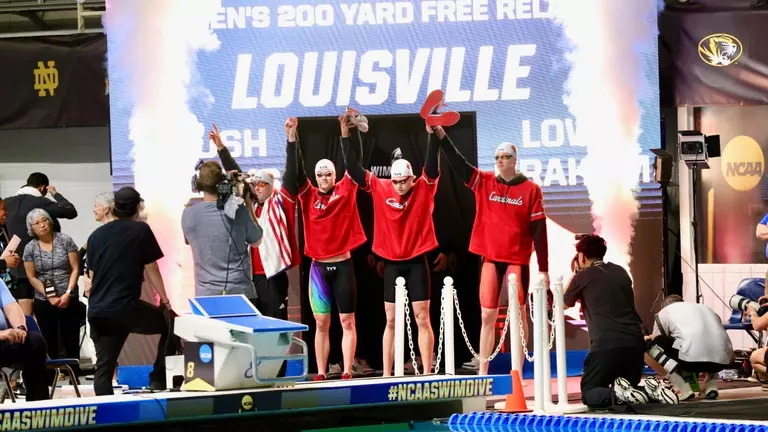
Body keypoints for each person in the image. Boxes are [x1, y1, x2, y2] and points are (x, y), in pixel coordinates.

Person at [437, 135, 548, 375]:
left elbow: (540, 231)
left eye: (505, 157)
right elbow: (458, 162)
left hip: (516, 259)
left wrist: (544, 268)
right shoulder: (484, 181)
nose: (499, 161)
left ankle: (517, 371)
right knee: (487, 314)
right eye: (497, 157)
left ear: (514, 160)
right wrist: (441, 135)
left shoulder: (530, 190)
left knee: (518, 314)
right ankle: (483, 371)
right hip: (490, 257)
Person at [342, 108, 440, 376]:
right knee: (392, 321)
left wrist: (431, 133)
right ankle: (386, 373)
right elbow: (353, 168)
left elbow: (431, 166)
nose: (398, 186)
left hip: (417, 262)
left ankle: (428, 371)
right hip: (392, 265)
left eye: (403, 181)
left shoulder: (423, 187)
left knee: (422, 318)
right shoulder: (380, 186)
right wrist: (344, 135)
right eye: (395, 181)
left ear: (411, 178)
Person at [284, 116, 367, 381]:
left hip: (343, 266)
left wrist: (345, 134)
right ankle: (320, 371)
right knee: (321, 323)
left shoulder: (346, 189)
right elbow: (293, 172)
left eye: (328, 174)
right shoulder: (307, 194)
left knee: (347, 322)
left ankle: (345, 369)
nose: (323, 179)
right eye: (319, 175)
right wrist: (291, 139)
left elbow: (354, 165)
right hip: (318, 269)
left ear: (334, 175)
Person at [563, 234, 678, 407]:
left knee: (590, 393)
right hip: (634, 346)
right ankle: (647, 390)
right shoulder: (620, 271)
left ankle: (625, 393)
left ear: (581, 256)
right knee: (629, 388)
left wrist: (575, 274)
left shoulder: (582, 277)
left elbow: (562, 304)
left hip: (605, 346)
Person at [86, 187, 172, 395]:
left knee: (104, 370)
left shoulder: (95, 236)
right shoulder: (140, 230)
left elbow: (91, 277)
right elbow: (152, 269)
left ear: (114, 207)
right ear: (137, 207)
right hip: (124, 308)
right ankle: (158, 379)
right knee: (171, 325)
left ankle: (104, 417)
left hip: (98, 311)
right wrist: (165, 300)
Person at [209, 125, 300, 320]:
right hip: (249, 278)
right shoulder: (250, 206)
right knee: (251, 326)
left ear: (271, 186)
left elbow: (292, 172)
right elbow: (237, 174)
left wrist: (291, 139)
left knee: (276, 325)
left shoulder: (281, 202)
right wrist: (221, 148)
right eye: (254, 184)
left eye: (261, 184)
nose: (256, 187)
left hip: (273, 277)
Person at [182, 160, 263, 299]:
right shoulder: (239, 211)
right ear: (223, 183)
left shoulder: (188, 214)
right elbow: (257, 240)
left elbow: (188, 240)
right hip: (240, 293)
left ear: (196, 184)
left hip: (206, 295)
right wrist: (248, 204)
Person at [4, 173, 78, 315]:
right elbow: (70, 211)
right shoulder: (38, 202)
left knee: (25, 305)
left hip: (17, 265)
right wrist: (55, 194)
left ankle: (28, 334)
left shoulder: (7, 202)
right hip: (45, 270)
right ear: (43, 187)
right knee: (51, 308)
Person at [22, 209, 83, 375]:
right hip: (44, 298)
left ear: (50, 221)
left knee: (70, 336)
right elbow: (32, 276)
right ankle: (52, 374)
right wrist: (50, 296)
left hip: (68, 295)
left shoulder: (65, 240)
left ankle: (74, 373)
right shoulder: (30, 248)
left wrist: (68, 293)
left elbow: (76, 268)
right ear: (31, 228)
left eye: (44, 220)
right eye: (37, 223)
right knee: (48, 337)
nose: (42, 225)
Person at [644, 295, 732, 400]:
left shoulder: (664, 312)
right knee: (713, 344)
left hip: (691, 361)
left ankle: (680, 386)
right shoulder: (705, 308)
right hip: (724, 361)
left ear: (664, 307)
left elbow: (656, 340)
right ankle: (711, 384)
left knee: (646, 343)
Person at [0, 279, 48, 401]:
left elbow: (11, 306)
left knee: (34, 341)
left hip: (4, 340)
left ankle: (37, 406)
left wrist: (20, 328)